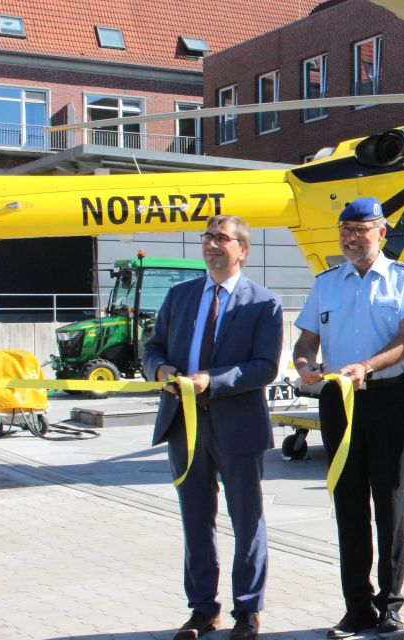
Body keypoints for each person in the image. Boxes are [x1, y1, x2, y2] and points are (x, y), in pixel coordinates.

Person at [291, 197, 404, 640]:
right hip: (339, 400)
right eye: (345, 230)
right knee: (348, 502)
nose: (351, 238)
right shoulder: (326, 283)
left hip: (391, 398)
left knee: (390, 501)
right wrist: (304, 363)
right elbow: (306, 340)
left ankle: (390, 605)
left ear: (382, 233)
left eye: (360, 230)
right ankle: (357, 607)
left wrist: (366, 366)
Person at [144, 215, 283, 640]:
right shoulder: (180, 296)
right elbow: (152, 349)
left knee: (247, 520)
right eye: (207, 237)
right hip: (184, 425)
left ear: (242, 250)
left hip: (238, 425)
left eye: (221, 238)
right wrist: (161, 370)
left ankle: (248, 611)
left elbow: (265, 367)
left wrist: (213, 380)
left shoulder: (264, 303)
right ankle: (203, 609)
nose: (211, 244)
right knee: (195, 520)